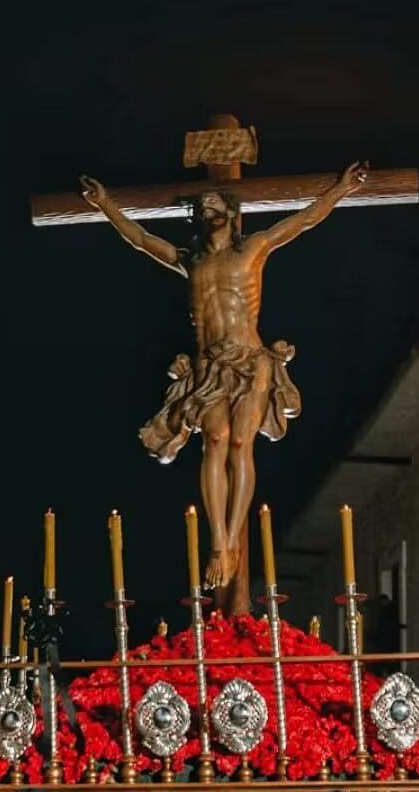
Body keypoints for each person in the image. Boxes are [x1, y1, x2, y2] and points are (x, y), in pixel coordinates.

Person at [80, 162, 369, 606]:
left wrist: (342, 188)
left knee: (239, 444)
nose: (206, 208)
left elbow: (303, 220)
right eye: (201, 206)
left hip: (251, 362)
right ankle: (219, 541)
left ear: (233, 214)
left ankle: (233, 539)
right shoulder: (190, 260)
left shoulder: (253, 248)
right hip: (210, 366)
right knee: (214, 440)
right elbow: (140, 239)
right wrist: (105, 204)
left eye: (214, 203)